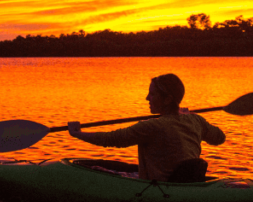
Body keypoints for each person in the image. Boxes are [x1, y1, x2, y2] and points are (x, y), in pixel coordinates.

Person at [67, 74, 225, 182]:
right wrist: (189, 116)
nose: (147, 98)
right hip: (186, 181)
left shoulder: (152, 126)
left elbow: (111, 139)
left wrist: (77, 133)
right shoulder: (196, 120)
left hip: (161, 187)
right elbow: (220, 138)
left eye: (153, 94)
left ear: (168, 99)